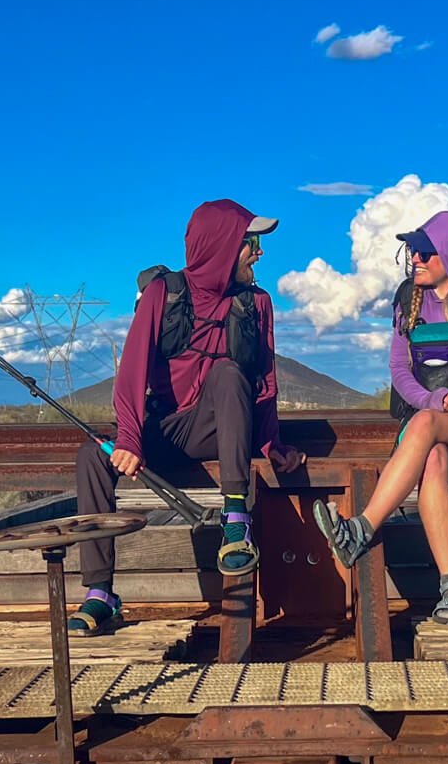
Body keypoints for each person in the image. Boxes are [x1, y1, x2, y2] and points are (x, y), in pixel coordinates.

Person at [69, 199, 306, 636]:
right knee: (90, 457)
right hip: (166, 429)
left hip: (219, 428)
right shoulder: (164, 293)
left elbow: (266, 385)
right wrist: (129, 440)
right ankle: (100, 593)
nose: (259, 253)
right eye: (250, 242)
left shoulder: (257, 303)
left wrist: (273, 445)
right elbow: (132, 372)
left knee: (229, 373)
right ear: (222, 245)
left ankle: (236, 521)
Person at [310, 209, 448, 625]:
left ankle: (359, 532)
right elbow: (398, 372)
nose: (415, 258)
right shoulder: (408, 300)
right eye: (412, 250)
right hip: (426, 428)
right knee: (431, 455)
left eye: (425, 252)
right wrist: (431, 397)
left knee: (425, 426)